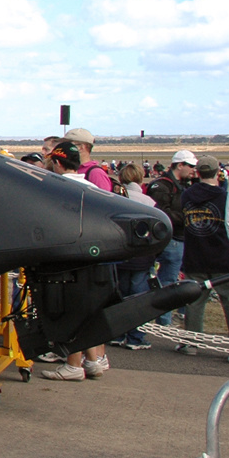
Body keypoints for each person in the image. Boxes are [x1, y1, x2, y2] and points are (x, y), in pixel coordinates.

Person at [40, 141, 111, 381]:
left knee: (68, 312)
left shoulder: (56, 188)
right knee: (87, 311)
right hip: (90, 256)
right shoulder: (92, 187)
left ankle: (72, 364)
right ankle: (92, 360)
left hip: (66, 260)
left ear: (58, 163)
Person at [176, 154, 229, 365]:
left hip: (195, 255)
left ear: (198, 172)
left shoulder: (186, 196)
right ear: (217, 172)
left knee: (194, 302)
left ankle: (192, 343)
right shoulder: (224, 196)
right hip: (223, 257)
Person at [148, 151, 199, 351]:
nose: (193, 170)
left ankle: (165, 320)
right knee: (167, 280)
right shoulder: (162, 186)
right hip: (169, 239)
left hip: (178, 238)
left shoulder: (183, 186)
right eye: (191, 166)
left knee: (171, 279)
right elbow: (160, 212)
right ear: (180, 165)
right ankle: (163, 321)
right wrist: (185, 217)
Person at [111, 163, 158, 349]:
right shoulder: (149, 201)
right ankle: (135, 337)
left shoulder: (116, 198)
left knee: (119, 295)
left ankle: (117, 333)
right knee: (139, 298)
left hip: (121, 255)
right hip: (142, 255)